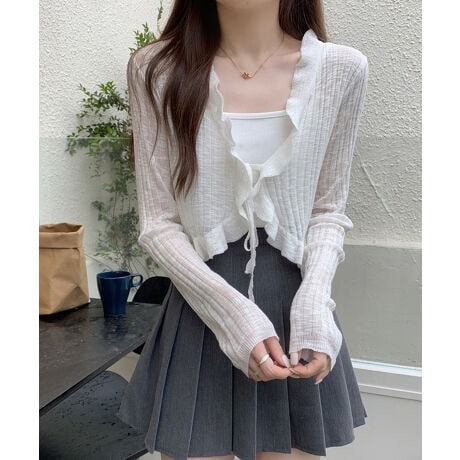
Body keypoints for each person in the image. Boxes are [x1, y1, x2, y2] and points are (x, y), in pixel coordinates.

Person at [118, 1, 369, 459]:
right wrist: (234, 317)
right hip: (200, 309)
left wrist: (315, 304)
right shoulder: (156, 69)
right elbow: (158, 223)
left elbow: (327, 210)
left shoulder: (342, 69)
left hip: (298, 315)